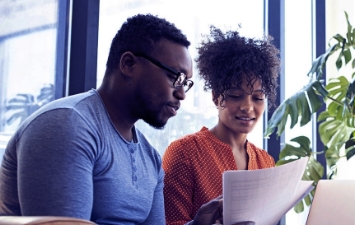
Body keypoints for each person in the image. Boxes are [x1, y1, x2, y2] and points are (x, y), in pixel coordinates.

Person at [0, 14, 221, 225]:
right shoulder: (68, 125)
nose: (181, 94)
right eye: (175, 77)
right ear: (129, 64)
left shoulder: (150, 157)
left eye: (186, 84)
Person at [162, 26, 281, 225]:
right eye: (235, 96)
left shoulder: (266, 162)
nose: (247, 107)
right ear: (216, 96)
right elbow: (169, 221)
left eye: (258, 98)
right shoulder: (184, 152)